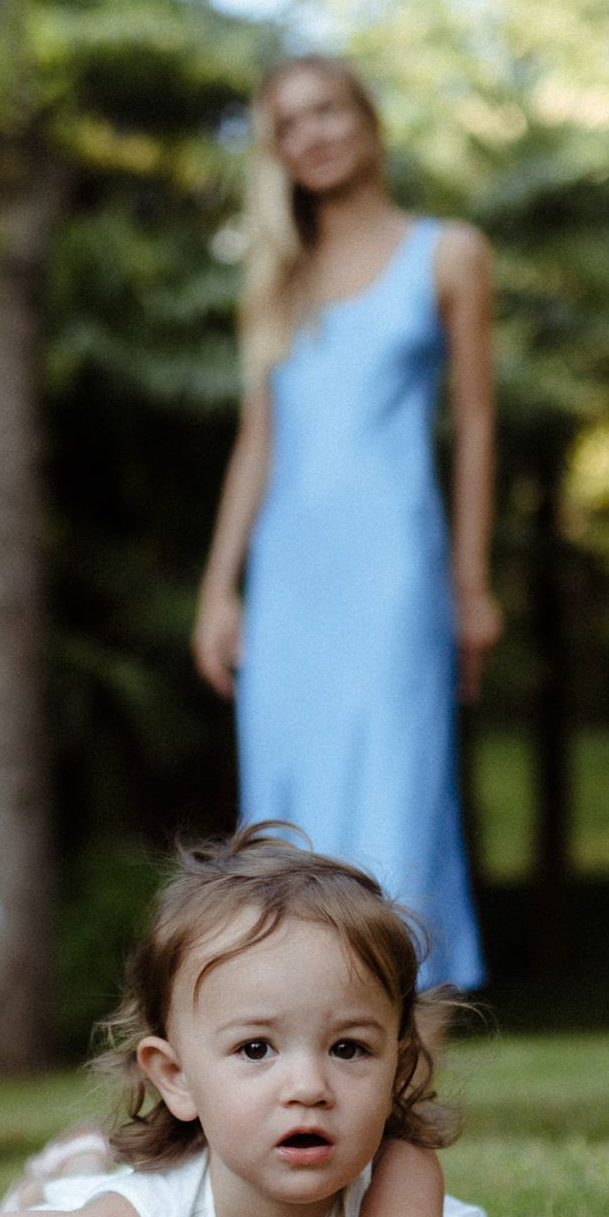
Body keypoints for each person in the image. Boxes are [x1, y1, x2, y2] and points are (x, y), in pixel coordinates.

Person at [0, 825, 552, 1217]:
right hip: (113, 1206)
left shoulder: (401, 1172)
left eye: (349, 1047)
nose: (308, 1088)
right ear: (177, 1076)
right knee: (70, 1196)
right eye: (256, 1049)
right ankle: (74, 1159)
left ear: (399, 1063)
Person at [191, 54, 499, 993]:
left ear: (368, 119)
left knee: (403, 801)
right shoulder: (275, 277)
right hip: (289, 582)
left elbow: (478, 423)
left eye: (328, 110)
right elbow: (257, 438)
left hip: (397, 569)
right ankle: (301, 1052)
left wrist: (472, 583)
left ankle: (413, 1069)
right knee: (287, 818)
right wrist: (218, 589)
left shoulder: (449, 253)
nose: (312, 133)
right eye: (289, 123)